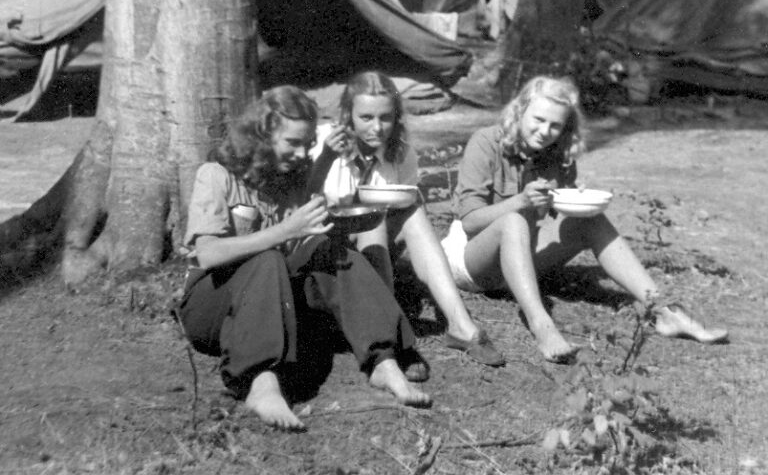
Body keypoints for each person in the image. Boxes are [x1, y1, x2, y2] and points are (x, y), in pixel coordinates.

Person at [177, 86, 431, 432]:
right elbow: (208, 254)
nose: (301, 153)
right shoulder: (216, 174)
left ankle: (383, 361)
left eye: (307, 143)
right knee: (267, 259)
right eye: (292, 143)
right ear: (261, 135)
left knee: (329, 251)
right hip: (212, 307)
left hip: (269, 305)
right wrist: (284, 231)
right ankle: (261, 384)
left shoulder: (289, 176)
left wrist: (326, 158)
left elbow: (308, 197)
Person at [441, 75, 729, 363]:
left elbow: (552, 216)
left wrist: (573, 200)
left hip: (518, 263)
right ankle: (541, 325)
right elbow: (470, 222)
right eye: (538, 120)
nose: (545, 131)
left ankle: (663, 310)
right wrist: (520, 201)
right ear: (520, 111)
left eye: (555, 125)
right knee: (513, 221)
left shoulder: (557, 153)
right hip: (472, 262)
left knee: (591, 219)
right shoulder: (486, 142)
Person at [309, 71, 505, 368]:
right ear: (348, 115)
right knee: (374, 218)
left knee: (410, 212)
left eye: (385, 118)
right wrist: (326, 157)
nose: (377, 128)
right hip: (325, 242)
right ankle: (391, 333)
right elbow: (301, 200)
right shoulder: (321, 140)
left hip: (373, 240)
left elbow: (400, 203)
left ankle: (460, 325)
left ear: (396, 117)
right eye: (366, 117)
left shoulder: (401, 154)